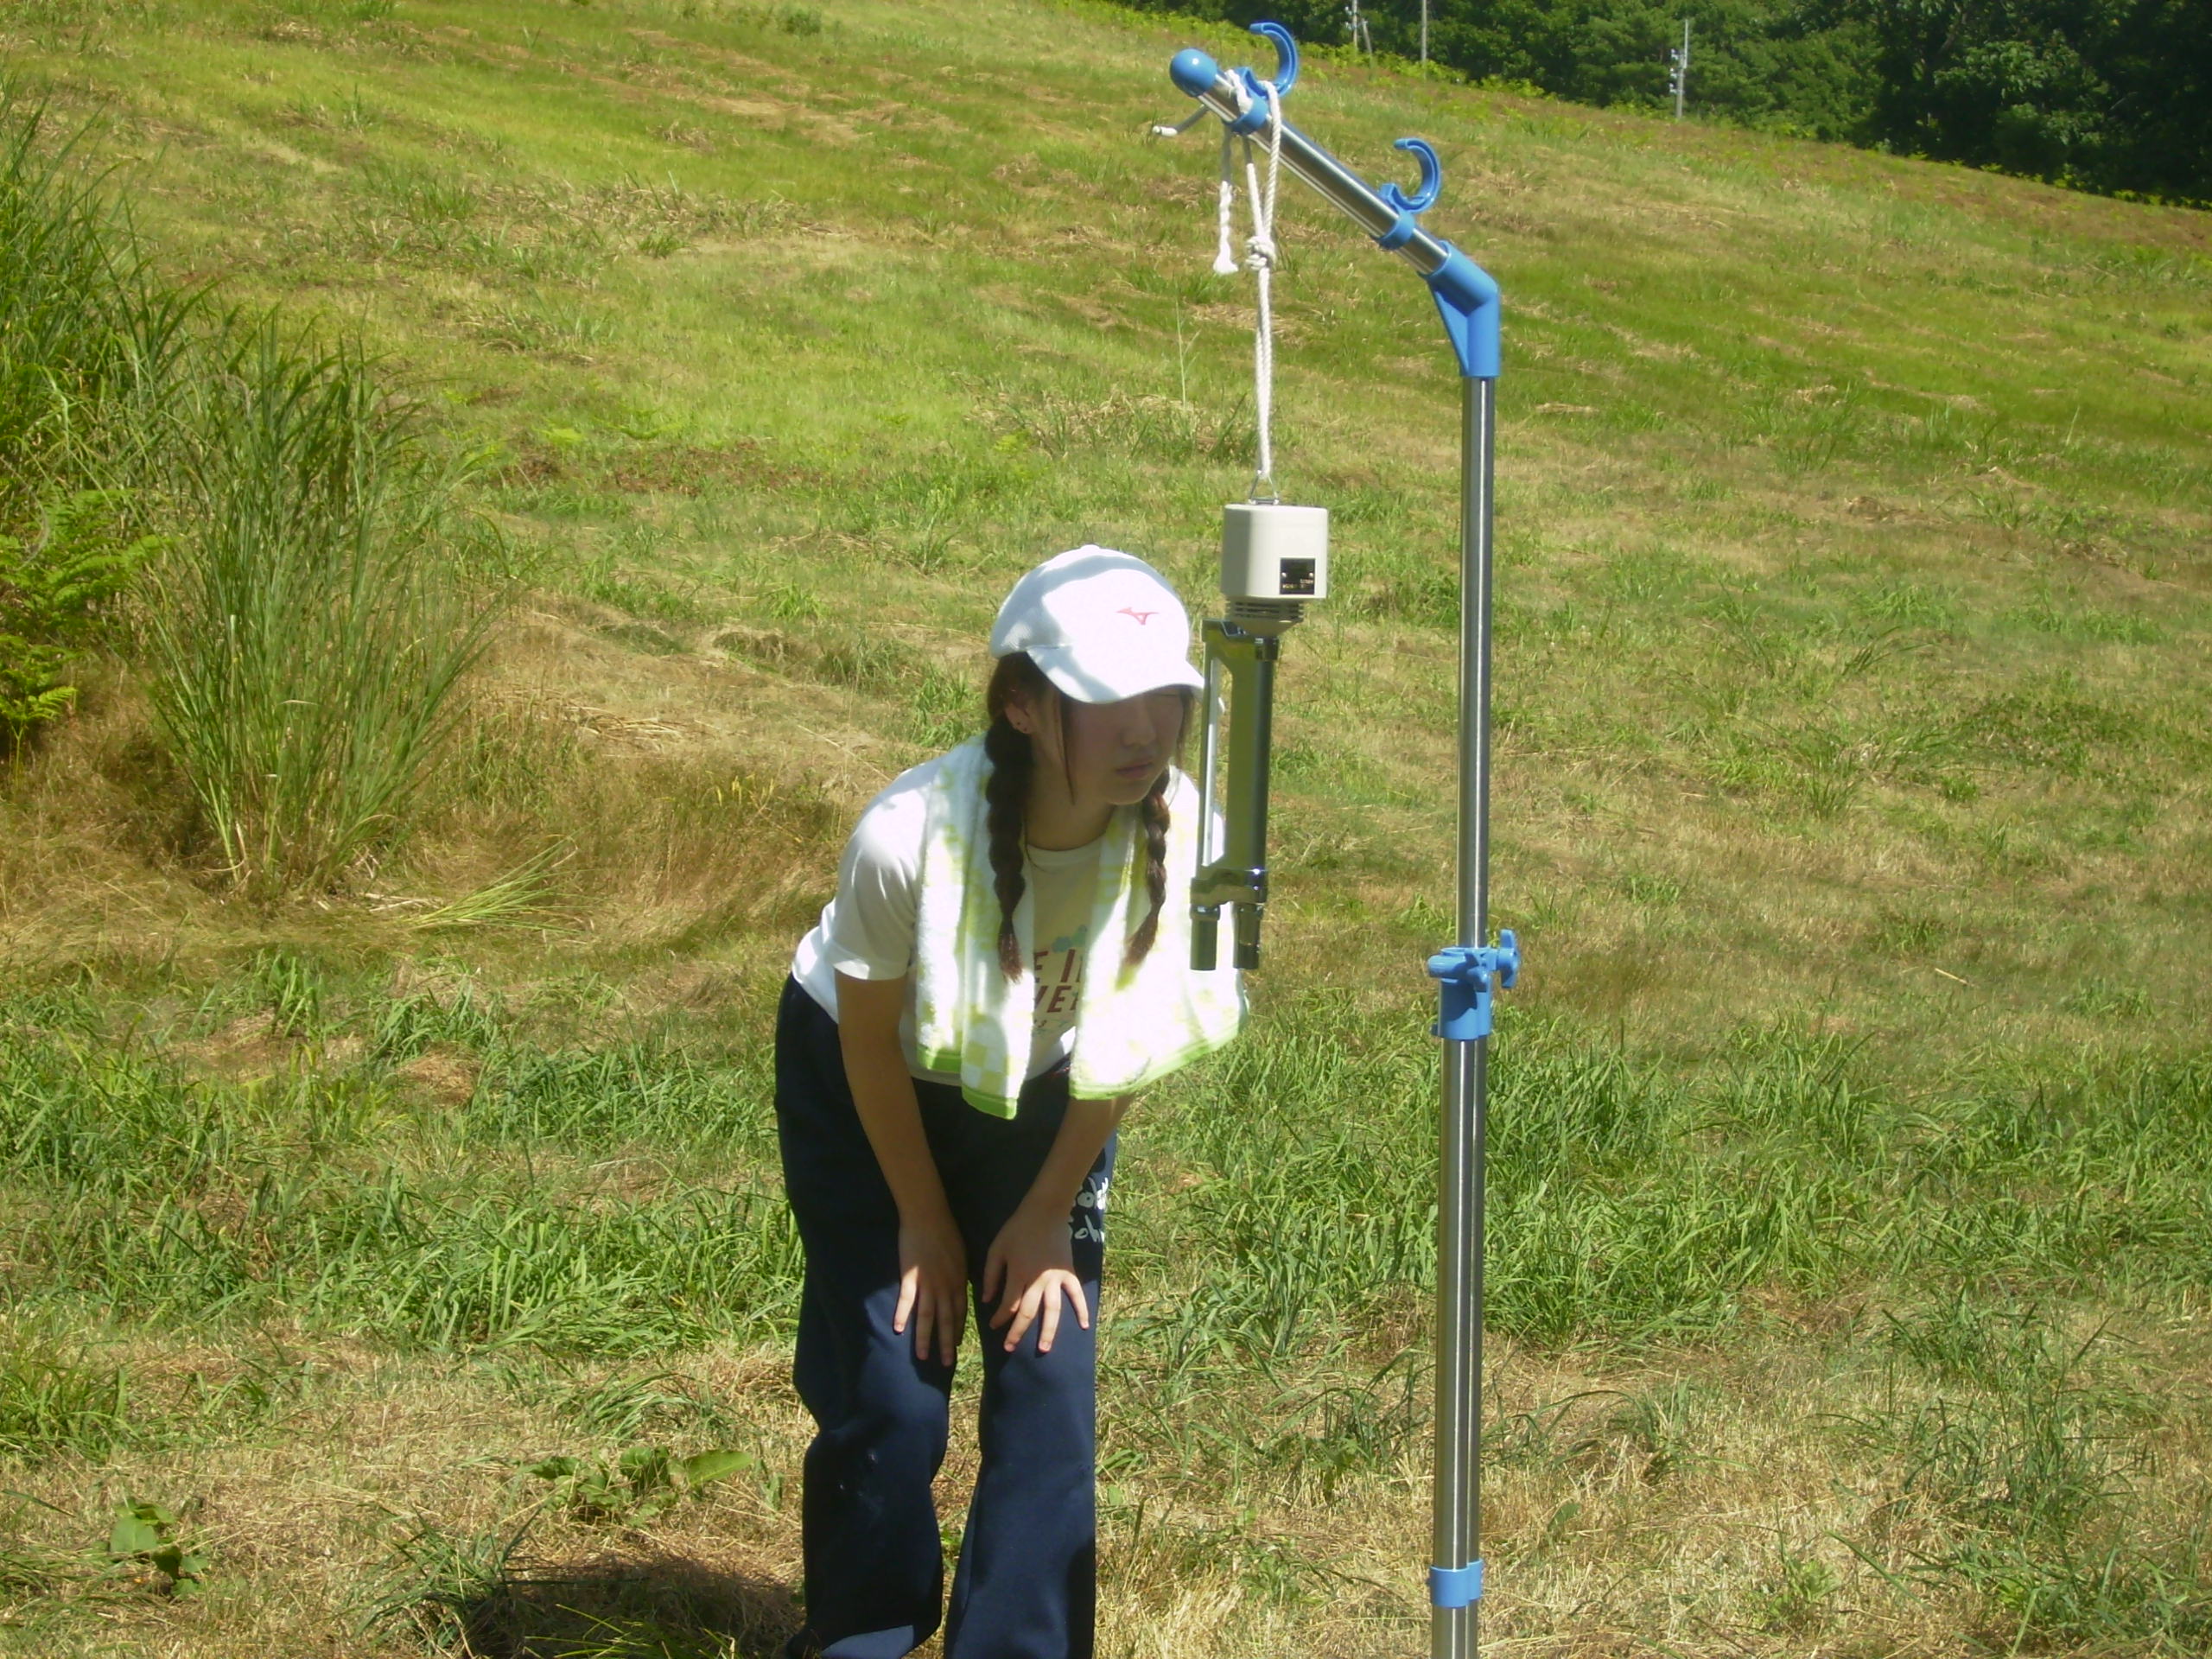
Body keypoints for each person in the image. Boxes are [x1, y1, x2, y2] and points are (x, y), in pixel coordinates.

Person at [774, 546, 1247, 1659]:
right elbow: (874, 1043)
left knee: (1048, 1385)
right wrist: (924, 1222)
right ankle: (863, 1635)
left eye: (1165, 698)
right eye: (1105, 699)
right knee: (894, 1380)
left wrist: (1044, 1212)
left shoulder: (1180, 836)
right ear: (1025, 706)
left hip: (1046, 1099)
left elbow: (1125, 1043)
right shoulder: (908, 838)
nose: (1144, 730)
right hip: (870, 1085)